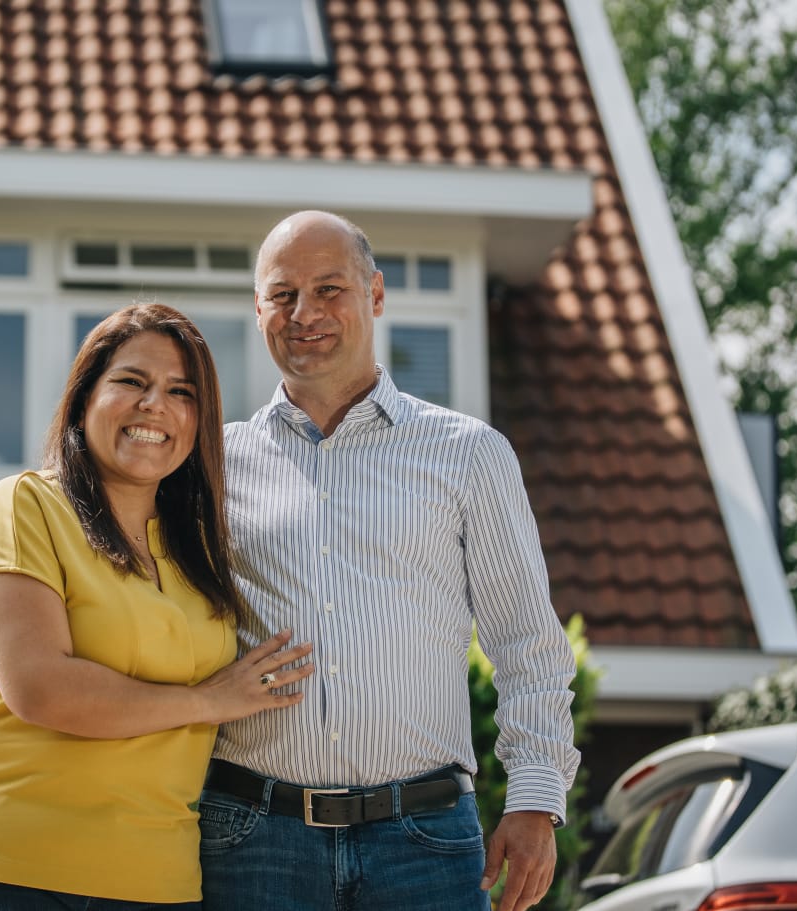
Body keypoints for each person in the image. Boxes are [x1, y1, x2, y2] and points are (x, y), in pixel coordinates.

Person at [192, 211, 580, 911]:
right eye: (282, 295)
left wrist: (534, 800)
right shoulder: (213, 465)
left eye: (329, 289)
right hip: (255, 839)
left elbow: (528, 642)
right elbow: (119, 556)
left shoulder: (469, 454)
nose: (304, 313)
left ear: (375, 294)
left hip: (424, 841)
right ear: (258, 310)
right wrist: (13, 537)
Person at [0, 303, 314, 910]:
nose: (155, 404)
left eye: (181, 391)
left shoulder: (201, 549)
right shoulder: (23, 506)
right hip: (4, 867)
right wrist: (208, 700)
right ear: (83, 397)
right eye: (131, 381)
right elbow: (42, 689)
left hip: (156, 879)